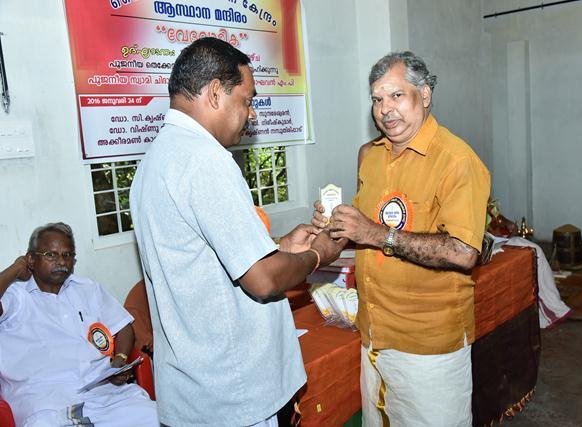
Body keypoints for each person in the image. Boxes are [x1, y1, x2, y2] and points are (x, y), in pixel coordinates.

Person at [130, 37, 346, 426]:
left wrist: (282, 247)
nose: (251, 114)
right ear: (215, 92)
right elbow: (262, 280)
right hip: (234, 393)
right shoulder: (205, 160)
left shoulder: (155, 159)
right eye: (246, 100)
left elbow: (205, 262)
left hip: (193, 391)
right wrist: (318, 254)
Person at [312, 51, 491, 426]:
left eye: (396, 95)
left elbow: (463, 252)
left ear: (424, 95)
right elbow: (361, 228)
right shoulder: (370, 156)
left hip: (428, 346)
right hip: (374, 334)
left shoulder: (456, 160)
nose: (385, 109)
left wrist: (374, 233)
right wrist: (332, 225)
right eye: (377, 99)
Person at [0, 222, 158, 426]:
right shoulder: (15, 296)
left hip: (102, 392)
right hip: (45, 401)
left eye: (67, 255)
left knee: (153, 416)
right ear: (30, 259)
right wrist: (14, 270)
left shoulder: (87, 289)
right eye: (51, 255)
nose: (61, 262)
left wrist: (119, 359)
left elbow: (124, 326)